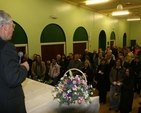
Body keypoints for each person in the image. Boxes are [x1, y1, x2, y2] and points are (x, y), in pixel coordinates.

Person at [0, 10, 29, 113]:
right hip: (8, 103)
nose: (13, 29)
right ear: (5, 26)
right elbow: (13, 78)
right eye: (12, 26)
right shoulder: (7, 47)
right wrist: (24, 67)